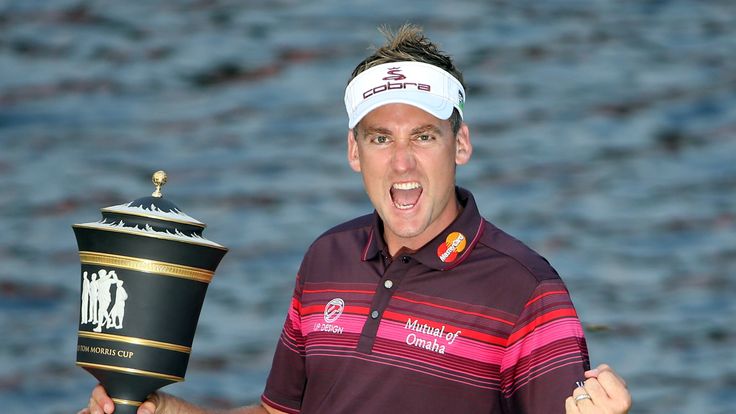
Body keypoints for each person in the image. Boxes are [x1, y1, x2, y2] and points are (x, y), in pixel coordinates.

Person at [82, 24, 631, 414]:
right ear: (354, 152)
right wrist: (170, 412)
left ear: (459, 143)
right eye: (380, 138)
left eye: (423, 136)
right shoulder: (327, 257)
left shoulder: (528, 290)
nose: (401, 162)